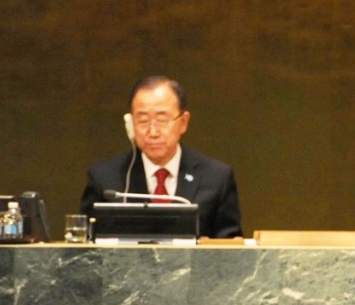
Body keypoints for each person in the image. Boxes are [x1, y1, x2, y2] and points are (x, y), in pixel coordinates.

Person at [81, 76, 243, 238]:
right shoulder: (104, 179)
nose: (152, 132)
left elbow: (230, 247)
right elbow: (85, 249)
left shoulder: (216, 178)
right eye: (143, 121)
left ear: (183, 122)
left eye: (162, 120)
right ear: (130, 124)